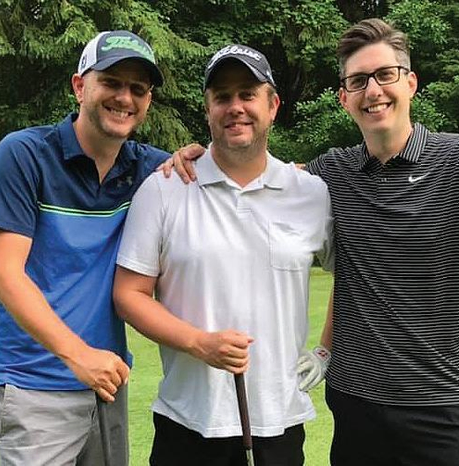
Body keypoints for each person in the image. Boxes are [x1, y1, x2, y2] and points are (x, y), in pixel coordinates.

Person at [165, 18, 459, 466]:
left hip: (441, 408)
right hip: (355, 410)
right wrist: (198, 157)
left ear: (410, 82)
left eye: (385, 75)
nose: (373, 90)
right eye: (358, 81)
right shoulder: (330, 175)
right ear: (344, 98)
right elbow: (260, 179)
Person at [113, 44, 333, 466]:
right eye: (222, 96)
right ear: (208, 107)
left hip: (279, 424)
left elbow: (355, 275)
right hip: (188, 423)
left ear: (273, 106)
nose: (235, 107)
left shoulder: (310, 192)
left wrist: (325, 352)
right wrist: (199, 343)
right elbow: (129, 294)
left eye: (248, 94)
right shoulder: (164, 189)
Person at [0, 30, 170, 465]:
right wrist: (78, 355)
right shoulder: (24, 155)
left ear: (147, 102)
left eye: (138, 89)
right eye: (112, 82)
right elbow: (4, 273)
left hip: (106, 383)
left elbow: (223, 169)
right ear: (80, 86)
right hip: (33, 385)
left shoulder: (148, 168)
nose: (125, 97)